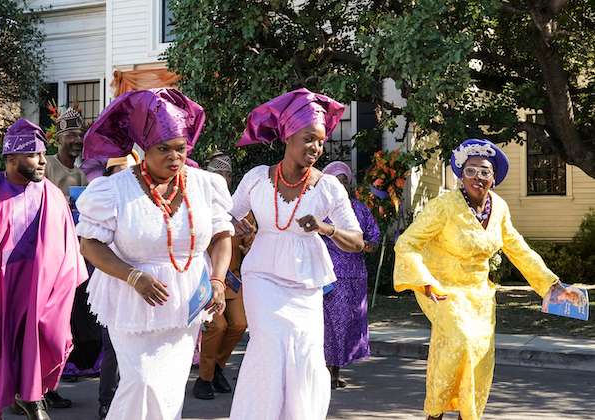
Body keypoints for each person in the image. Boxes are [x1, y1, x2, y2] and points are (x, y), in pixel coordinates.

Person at [393, 138, 583, 420]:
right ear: (461, 176)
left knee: (479, 356)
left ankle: (467, 415)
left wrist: (552, 286)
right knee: (460, 340)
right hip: (441, 288)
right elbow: (407, 243)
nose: (477, 178)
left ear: (493, 178)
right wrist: (424, 280)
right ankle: (434, 414)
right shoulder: (443, 206)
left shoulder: (500, 208)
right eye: (470, 171)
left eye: (484, 172)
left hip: (479, 294)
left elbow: (518, 248)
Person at [76, 88, 233, 420]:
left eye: (181, 149)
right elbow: (89, 244)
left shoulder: (205, 185)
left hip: (185, 302)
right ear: (144, 149)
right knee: (143, 382)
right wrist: (134, 277)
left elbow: (221, 235)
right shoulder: (114, 190)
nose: (174, 157)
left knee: (170, 389)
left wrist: (217, 281)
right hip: (131, 300)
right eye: (164, 149)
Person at [228, 88, 365, 420]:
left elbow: (358, 241)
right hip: (262, 275)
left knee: (304, 353)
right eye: (308, 139)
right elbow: (226, 217)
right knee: (270, 347)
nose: (316, 148)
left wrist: (326, 228)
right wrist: (238, 225)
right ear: (288, 137)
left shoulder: (329, 187)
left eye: (320, 141)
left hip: (306, 283)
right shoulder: (257, 178)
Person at [0, 119, 87, 420]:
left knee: (45, 340)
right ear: (11, 158)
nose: (41, 161)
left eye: (42, 154)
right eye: (33, 155)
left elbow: (66, 244)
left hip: (41, 287)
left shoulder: (51, 194)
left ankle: (31, 395)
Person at [44, 108, 96, 409]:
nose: (77, 140)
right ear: (58, 137)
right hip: (49, 254)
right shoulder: (46, 165)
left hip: (75, 256)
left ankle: (49, 384)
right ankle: (31, 390)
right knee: (49, 325)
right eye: (71, 135)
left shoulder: (82, 174)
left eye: (80, 135)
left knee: (71, 326)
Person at [193, 152, 250, 400]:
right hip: (208, 276)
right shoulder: (198, 207)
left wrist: (250, 241)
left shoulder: (240, 210)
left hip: (234, 278)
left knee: (239, 324)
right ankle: (204, 379)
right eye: (216, 175)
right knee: (217, 325)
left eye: (225, 176)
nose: (220, 180)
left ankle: (216, 368)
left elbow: (251, 243)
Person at [321, 161, 380, 389]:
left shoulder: (359, 209)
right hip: (330, 276)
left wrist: (365, 245)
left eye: (344, 181)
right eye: (336, 181)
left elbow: (373, 237)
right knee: (329, 325)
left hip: (355, 276)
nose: (341, 185)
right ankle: (328, 373)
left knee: (346, 326)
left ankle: (335, 370)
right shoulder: (321, 210)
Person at [94, 153, 140, 420]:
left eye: (130, 172)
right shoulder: (104, 203)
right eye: (120, 172)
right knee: (112, 347)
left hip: (146, 289)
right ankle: (106, 401)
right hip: (114, 285)